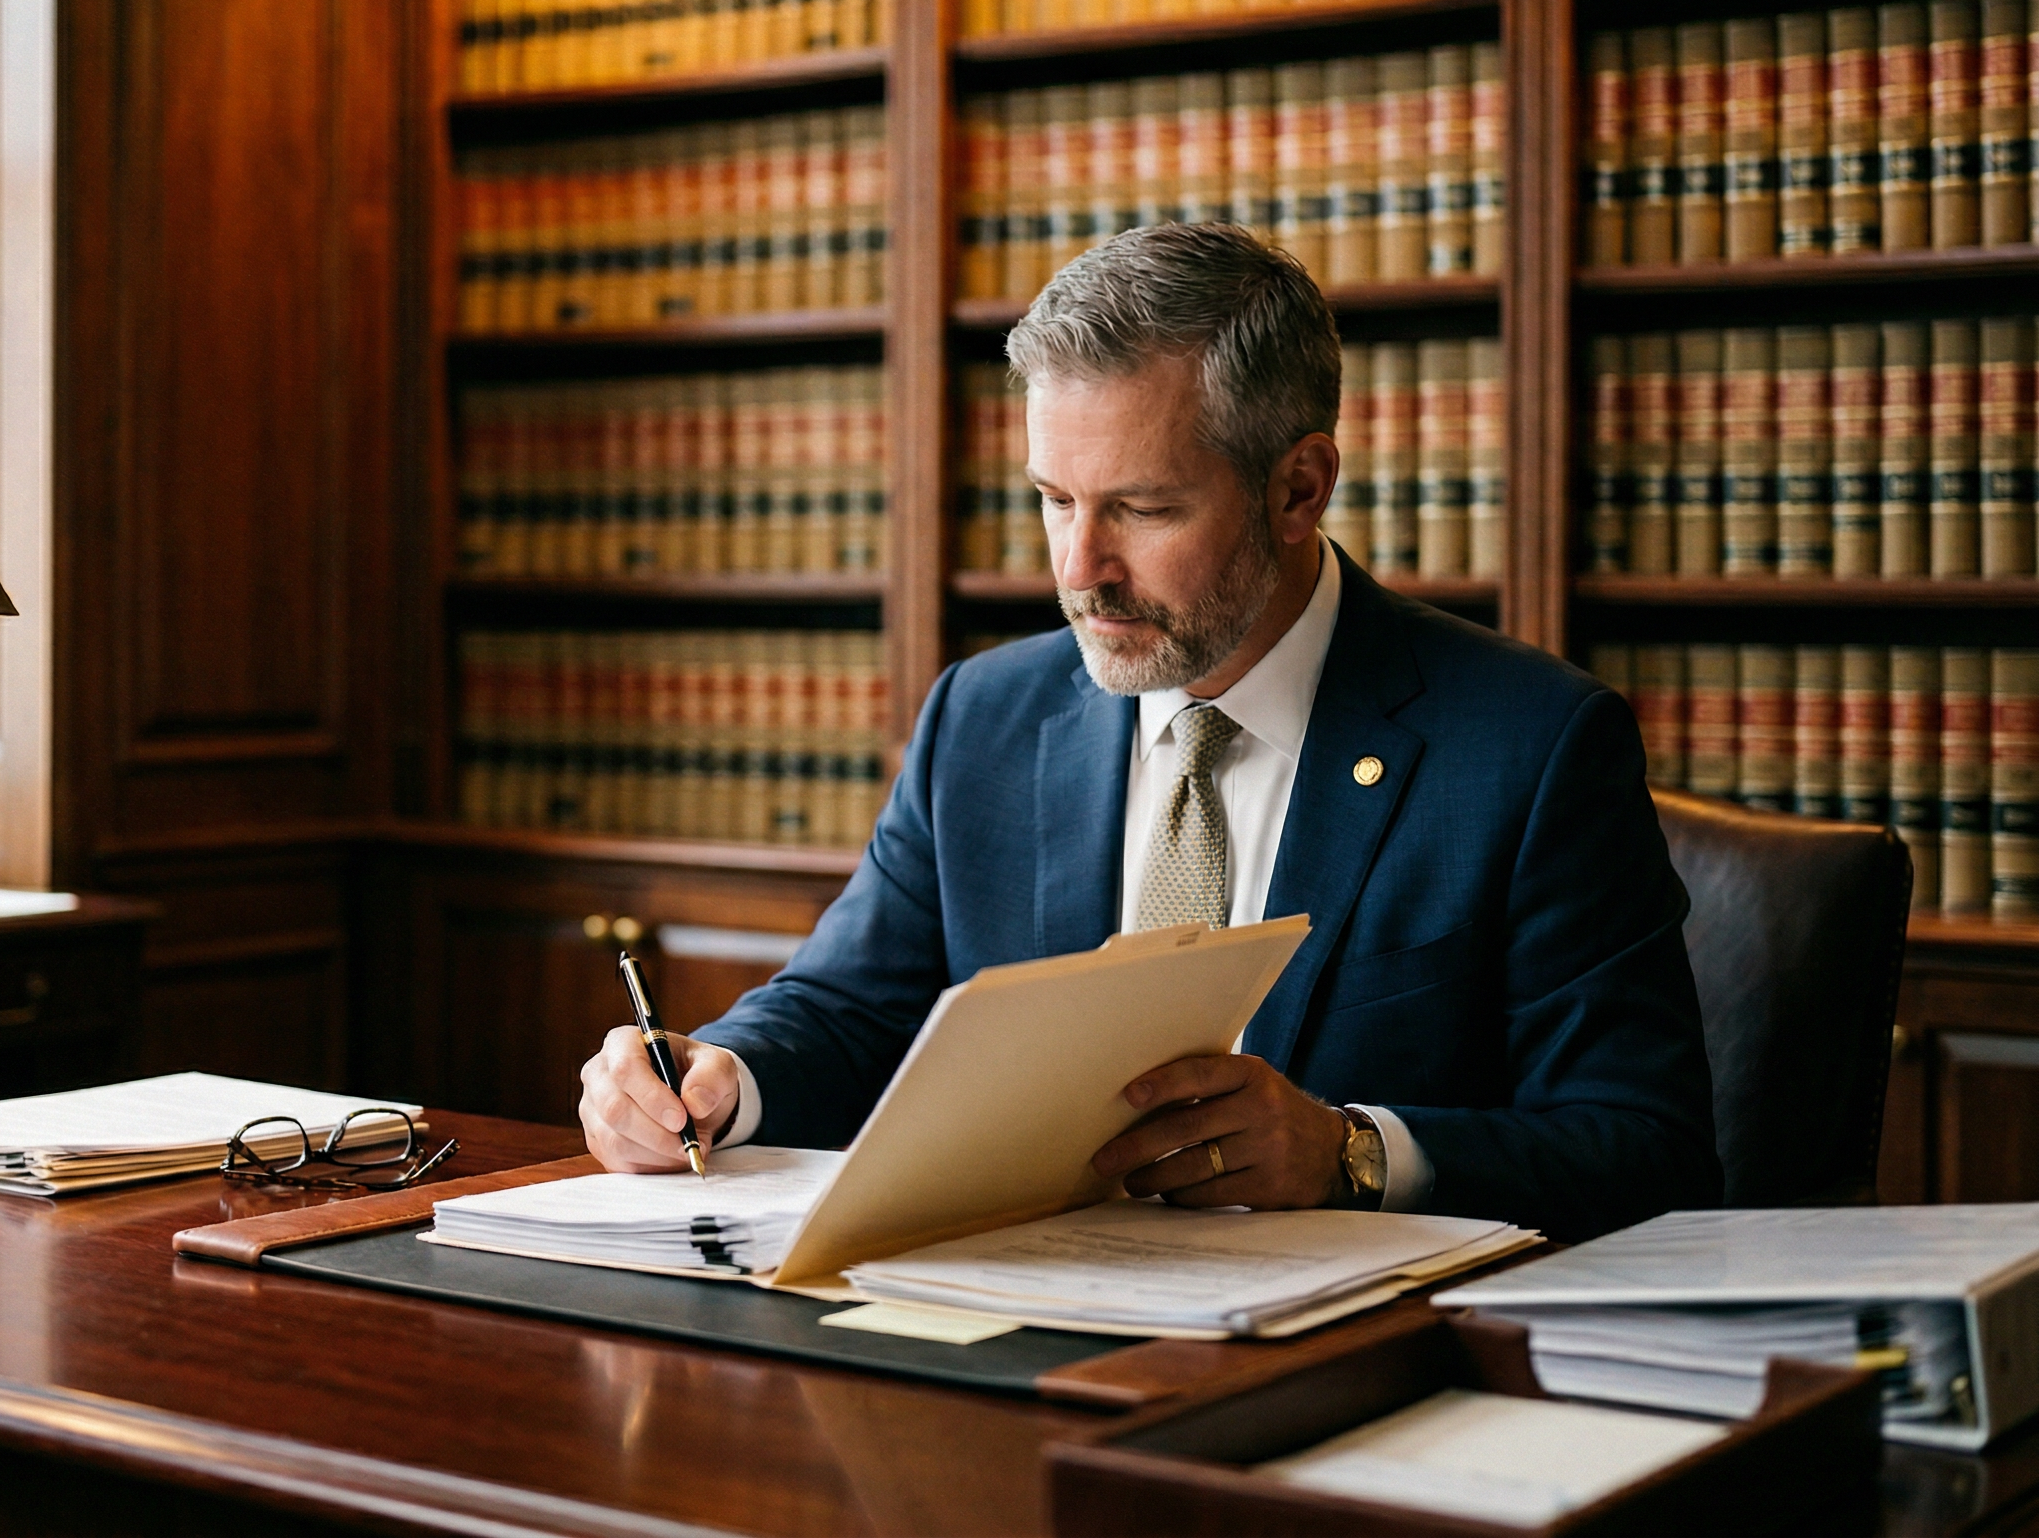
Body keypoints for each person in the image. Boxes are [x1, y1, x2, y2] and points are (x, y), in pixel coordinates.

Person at [577, 222, 1720, 1242]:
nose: (1081, 571)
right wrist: (720, 1074)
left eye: (1143, 508)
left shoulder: (1532, 746)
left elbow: (1647, 1148)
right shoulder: (983, 717)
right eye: (1055, 499)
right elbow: (850, 1004)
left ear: (1298, 487)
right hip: (1007, 1338)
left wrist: (1353, 1153)